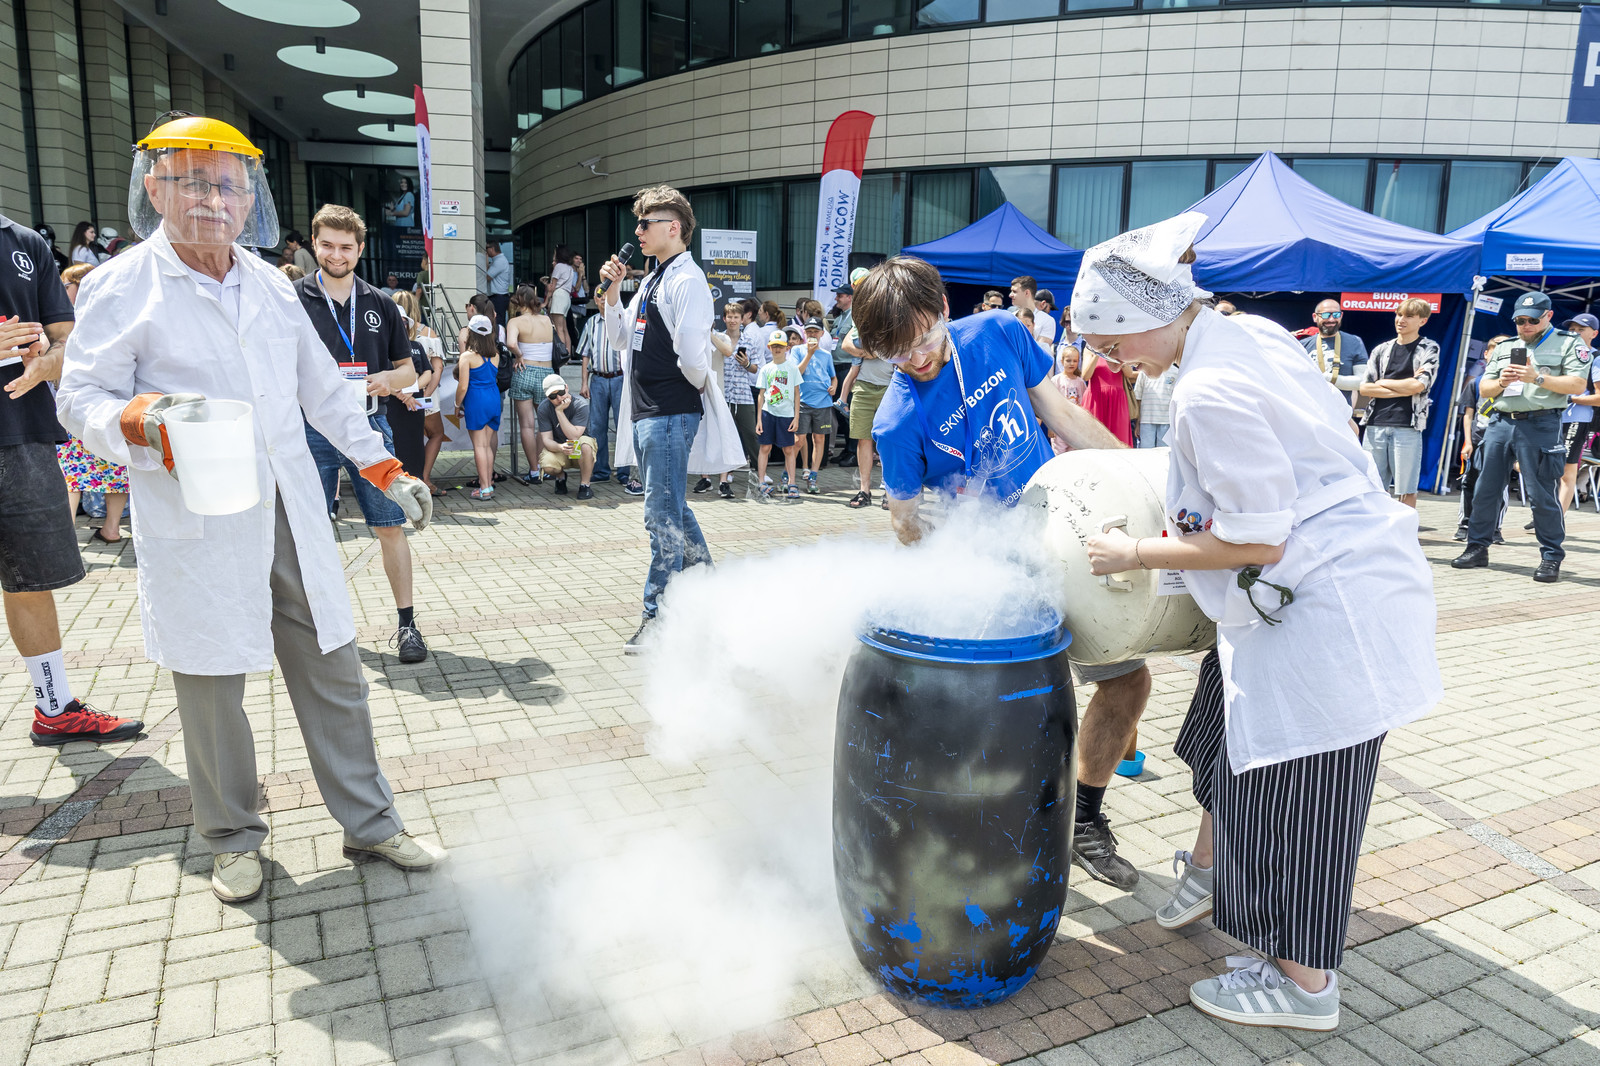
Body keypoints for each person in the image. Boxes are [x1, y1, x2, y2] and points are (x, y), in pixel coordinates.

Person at [56, 113, 443, 903]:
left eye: (228, 186)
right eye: (194, 182)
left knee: (334, 665)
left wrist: (385, 468)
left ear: (248, 199)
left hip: (287, 504)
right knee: (209, 684)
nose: (213, 200)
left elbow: (323, 391)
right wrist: (137, 420)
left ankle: (370, 823)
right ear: (155, 188)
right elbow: (81, 397)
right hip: (197, 513)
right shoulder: (119, 286)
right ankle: (231, 838)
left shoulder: (269, 284)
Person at [1076, 211, 1441, 1032]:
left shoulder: (1206, 389)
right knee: (1227, 743)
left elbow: (1259, 538)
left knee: (1302, 806)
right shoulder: (1244, 332)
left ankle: (1305, 988)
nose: (1116, 363)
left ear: (1149, 316)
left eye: (1114, 344)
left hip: (1322, 608)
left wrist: (1134, 552)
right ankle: (1215, 875)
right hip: (1309, 588)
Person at [858, 254, 1153, 891]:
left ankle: (1085, 821)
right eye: (897, 354)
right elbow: (904, 521)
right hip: (988, 571)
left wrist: (1138, 475)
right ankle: (990, 838)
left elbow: (1062, 415)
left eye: (923, 340)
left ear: (942, 309)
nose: (915, 360)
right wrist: (931, 539)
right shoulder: (897, 420)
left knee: (1128, 682)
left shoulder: (997, 331)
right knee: (1000, 712)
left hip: (1062, 532)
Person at [0, 212, 143, 744]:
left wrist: (47, 362)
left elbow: (67, 342)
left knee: (30, 582)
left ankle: (54, 709)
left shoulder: (24, 243)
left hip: (25, 434)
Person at [598, 184, 743, 653]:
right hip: (648, 410)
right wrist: (612, 291)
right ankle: (710, 592)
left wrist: (690, 386)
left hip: (668, 409)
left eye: (646, 223)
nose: (638, 231)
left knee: (660, 516)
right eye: (638, 223)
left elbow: (693, 354)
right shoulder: (652, 279)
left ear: (673, 227)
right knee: (672, 508)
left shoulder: (687, 279)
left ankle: (658, 618)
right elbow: (621, 339)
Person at [294, 204, 428, 662]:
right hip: (309, 429)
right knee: (308, 532)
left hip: (369, 425)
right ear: (315, 245)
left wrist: (389, 379)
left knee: (389, 526)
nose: (337, 255)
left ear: (360, 249)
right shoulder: (291, 299)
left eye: (346, 247)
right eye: (327, 245)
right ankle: (318, 630)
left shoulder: (380, 303)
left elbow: (408, 369)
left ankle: (407, 625)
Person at [1454, 292, 1589, 581]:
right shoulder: (1507, 346)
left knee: (1541, 494)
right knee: (1486, 490)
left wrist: (1536, 377)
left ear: (1548, 316)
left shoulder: (1568, 342)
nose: (1525, 325)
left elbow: (1577, 384)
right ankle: (1477, 547)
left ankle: (1551, 556)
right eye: (1520, 321)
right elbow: (1484, 388)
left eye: (1532, 320)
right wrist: (1501, 382)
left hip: (1541, 424)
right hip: (1501, 422)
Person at [54, 263, 130, 543]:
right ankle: (111, 529)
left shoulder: (70, 319)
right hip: (116, 400)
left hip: (82, 401)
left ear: (80, 284)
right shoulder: (117, 313)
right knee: (115, 464)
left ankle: (65, 534)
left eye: (66, 285)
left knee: (70, 470)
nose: (62, 290)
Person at [1356, 300, 1438, 509]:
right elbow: (1364, 388)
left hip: (1407, 425)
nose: (1401, 320)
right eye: (1399, 314)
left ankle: (1406, 527)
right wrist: (1406, 386)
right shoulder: (1381, 349)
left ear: (1422, 321)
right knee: (1372, 485)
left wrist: (1382, 383)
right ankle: (1375, 525)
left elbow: (1419, 386)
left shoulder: (1429, 348)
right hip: (1375, 423)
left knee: (1406, 488)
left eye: (1409, 316)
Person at [1455, 336, 1510, 544]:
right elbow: (1468, 415)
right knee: (1469, 482)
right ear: (1486, 355)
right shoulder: (1476, 382)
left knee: (1500, 485)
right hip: (1478, 438)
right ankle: (1465, 524)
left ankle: (1495, 527)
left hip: (1502, 442)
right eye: (1494, 352)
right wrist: (1468, 442)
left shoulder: (1515, 385)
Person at [578, 296, 633, 490]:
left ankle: (624, 472)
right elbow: (585, 354)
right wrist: (584, 383)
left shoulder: (623, 319)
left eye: (607, 296)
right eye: (600, 296)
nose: (603, 299)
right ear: (595, 299)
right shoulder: (591, 323)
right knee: (596, 427)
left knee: (623, 426)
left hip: (620, 379)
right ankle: (601, 471)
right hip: (598, 380)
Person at [840, 321, 897, 509]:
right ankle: (865, 490)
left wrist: (870, 351)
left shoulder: (894, 321)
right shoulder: (864, 323)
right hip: (863, 387)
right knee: (863, 439)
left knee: (887, 440)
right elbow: (846, 344)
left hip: (890, 387)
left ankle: (889, 491)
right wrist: (870, 351)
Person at [504, 284, 554, 484]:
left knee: (527, 424)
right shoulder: (546, 319)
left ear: (518, 301)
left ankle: (533, 471)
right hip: (547, 373)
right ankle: (542, 466)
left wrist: (519, 355)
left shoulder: (515, 321)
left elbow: (510, 343)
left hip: (525, 371)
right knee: (545, 423)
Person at [387, 290, 439, 479]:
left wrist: (410, 391)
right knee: (394, 445)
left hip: (414, 407)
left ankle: (416, 483)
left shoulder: (416, 346)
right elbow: (382, 377)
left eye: (404, 321)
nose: (401, 325)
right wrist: (401, 395)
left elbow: (428, 372)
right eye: (397, 321)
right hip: (392, 406)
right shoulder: (382, 347)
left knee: (414, 446)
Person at [1556, 313, 1600, 515]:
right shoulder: (1562, 355)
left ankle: (1556, 517)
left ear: (1594, 334)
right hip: (1552, 416)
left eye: (1581, 329)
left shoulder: (1596, 359)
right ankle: (1546, 512)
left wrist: (1571, 399)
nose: (1574, 333)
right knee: (1540, 465)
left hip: (1577, 419)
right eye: (1572, 329)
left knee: (1566, 470)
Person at [456, 314, 501, 499]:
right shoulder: (495, 355)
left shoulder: (467, 356)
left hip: (476, 400)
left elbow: (463, 386)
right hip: (494, 398)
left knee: (479, 446)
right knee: (487, 446)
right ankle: (488, 486)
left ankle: (484, 489)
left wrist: (457, 404)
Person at [755, 331, 802, 498]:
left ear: (787, 348)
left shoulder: (792, 368)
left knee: (789, 449)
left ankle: (792, 483)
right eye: (774, 346)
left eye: (780, 346)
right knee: (765, 447)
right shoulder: (766, 369)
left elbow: (796, 394)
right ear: (769, 347)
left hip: (786, 415)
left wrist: (796, 417)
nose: (777, 349)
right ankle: (761, 482)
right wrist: (759, 419)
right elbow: (761, 395)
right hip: (768, 413)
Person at [536, 373, 596, 499]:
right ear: (547, 397)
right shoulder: (543, 408)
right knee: (547, 464)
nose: (559, 398)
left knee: (585, 445)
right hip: (560, 448)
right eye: (553, 396)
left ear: (567, 388)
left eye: (561, 392)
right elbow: (546, 439)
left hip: (580, 448)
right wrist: (560, 447)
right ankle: (560, 477)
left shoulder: (580, 404)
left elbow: (574, 436)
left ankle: (585, 485)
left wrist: (559, 412)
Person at [1302, 299, 1369, 410]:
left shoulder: (1354, 342)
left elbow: (1362, 381)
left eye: (1336, 314)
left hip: (1340, 413)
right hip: (1310, 411)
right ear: (1315, 317)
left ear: (1341, 316)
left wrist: (1329, 379)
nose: (1331, 319)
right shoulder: (1302, 345)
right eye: (1326, 315)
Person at [796, 317, 836, 494]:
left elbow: (833, 376)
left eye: (815, 331)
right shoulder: (797, 350)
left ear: (821, 333)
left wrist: (834, 386)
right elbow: (797, 373)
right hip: (803, 402)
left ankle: (813, 475)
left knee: (819, 440)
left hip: (823, 402)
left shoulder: (826, 355)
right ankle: (788, 474)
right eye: (809, 331)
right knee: (799, 440)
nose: (812, 334)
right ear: (804, 333)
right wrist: (809, 354)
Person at [1134, 362, 1178, 448]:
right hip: (1146, 421)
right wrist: (1138, 423)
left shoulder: (1176, 372)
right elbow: (1138, 398)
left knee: (1164, 452)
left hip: (1167, 421)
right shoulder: (1144, 371)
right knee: (1146, 452)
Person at [545, 245, 577, 357]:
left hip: (558, 296)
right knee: (564, 328)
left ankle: (561, 355)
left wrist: (546, 300)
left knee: (558, 328)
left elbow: (552, 287)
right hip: (566, 297)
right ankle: (567, 355)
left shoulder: (558, 266)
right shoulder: (570, 268)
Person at [1010, 275, 1056, 349]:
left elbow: (1040, 351)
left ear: (1027, 293)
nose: (1010, 295)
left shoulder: (1047, 320)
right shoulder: (1010, 317)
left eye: (1014, 291)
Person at [485, 240, 512, 324]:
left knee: (498, 321)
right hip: (497, 296)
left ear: (492, 249)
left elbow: (488, 277)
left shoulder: (499, 261)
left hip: (499, 297)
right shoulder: (497, 260)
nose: (486, 251)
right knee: (495, 321)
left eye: (486, 248)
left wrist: (486, 259)